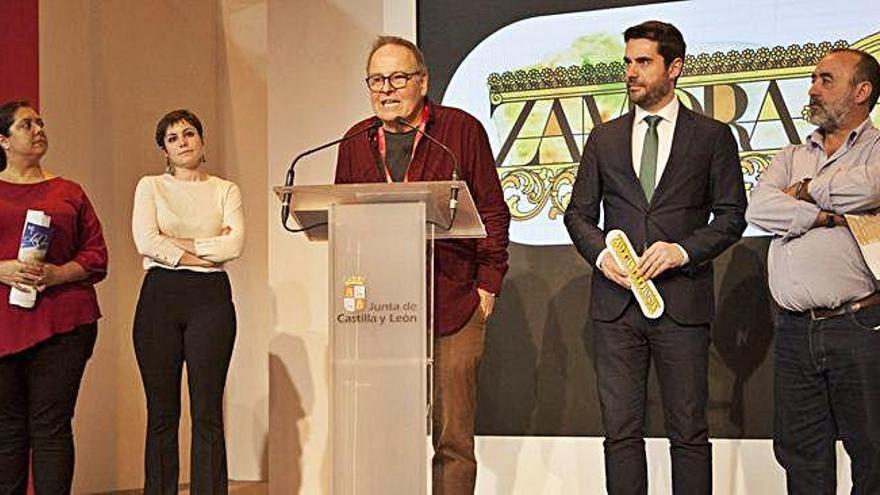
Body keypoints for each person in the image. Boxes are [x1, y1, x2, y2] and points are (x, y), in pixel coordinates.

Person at [564, 21, 747, 494]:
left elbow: (731, 218)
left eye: (643, 62)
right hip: (616, 307)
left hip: (681, 306)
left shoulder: (711, 137)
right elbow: (578, 215)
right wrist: (604, 254)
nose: (631, 72)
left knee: (688, 433)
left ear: (675, 68)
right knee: (620, 433)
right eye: (627, 62)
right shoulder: (603, 138)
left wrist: (681, 250)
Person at [335, 36, 510, 494]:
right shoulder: (354, 141)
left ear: (422, 81)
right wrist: (353, 299)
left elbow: (491, 209)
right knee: (385, 432)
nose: (386, 89)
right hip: (383, 311)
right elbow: (344, 222)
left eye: (397, 77)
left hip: (453, 301)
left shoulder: (459, 131)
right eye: (376, 80)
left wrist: (487, 285)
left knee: (453, 437)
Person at [745, 48, 880, 494]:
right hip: (794, 332)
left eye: (826, 80)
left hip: (860, 325)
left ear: (861, 92)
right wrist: (823, 216)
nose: (812, 88)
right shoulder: (790, 154)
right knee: (801, 454)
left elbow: (873, 186)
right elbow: (760, 205)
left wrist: (805, 191)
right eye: (813, 78)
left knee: (873, 452)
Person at [132, 109, 244, 494]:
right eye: (173, 137)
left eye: (189, 133)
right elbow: (146, 242)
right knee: (162, 412)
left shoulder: (225, 190)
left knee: (207, 411)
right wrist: (207, 249)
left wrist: (175, 243)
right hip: (160, 297)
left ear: (202, 139)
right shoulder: (150, 186)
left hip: (210, 298)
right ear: (164, 148)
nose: (183, 142)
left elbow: (235, 245)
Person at [0, 100, 108, 494]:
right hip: (4, 325)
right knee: (7, 431)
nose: (38, 129)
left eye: (40, 122)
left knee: (51, 427)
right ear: (3, 140)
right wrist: (2, 269)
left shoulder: (69, 192)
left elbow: (96, 256)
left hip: (63, 324)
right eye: (26, 124)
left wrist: (57, 273)